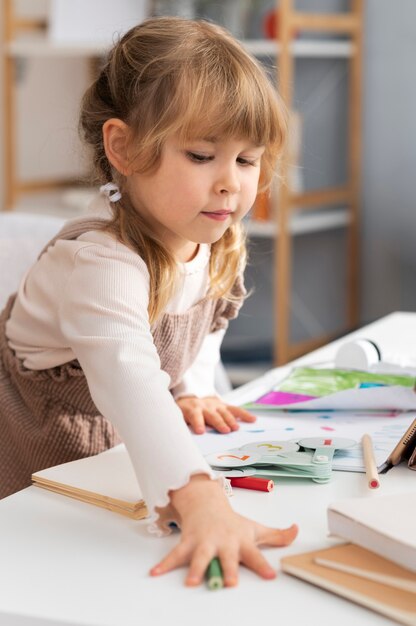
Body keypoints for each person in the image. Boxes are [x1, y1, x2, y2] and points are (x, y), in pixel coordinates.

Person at [0, 17, 298, 586]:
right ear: (125, 148)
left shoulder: (213, 237)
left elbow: (205, 322)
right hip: (34, 430)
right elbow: (128, 376)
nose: (231, 183)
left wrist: (193, 388)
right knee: (50, 568)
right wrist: (201, 499)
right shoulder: (99, 263)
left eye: (246, 159)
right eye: (202, 155)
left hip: (116, 433)